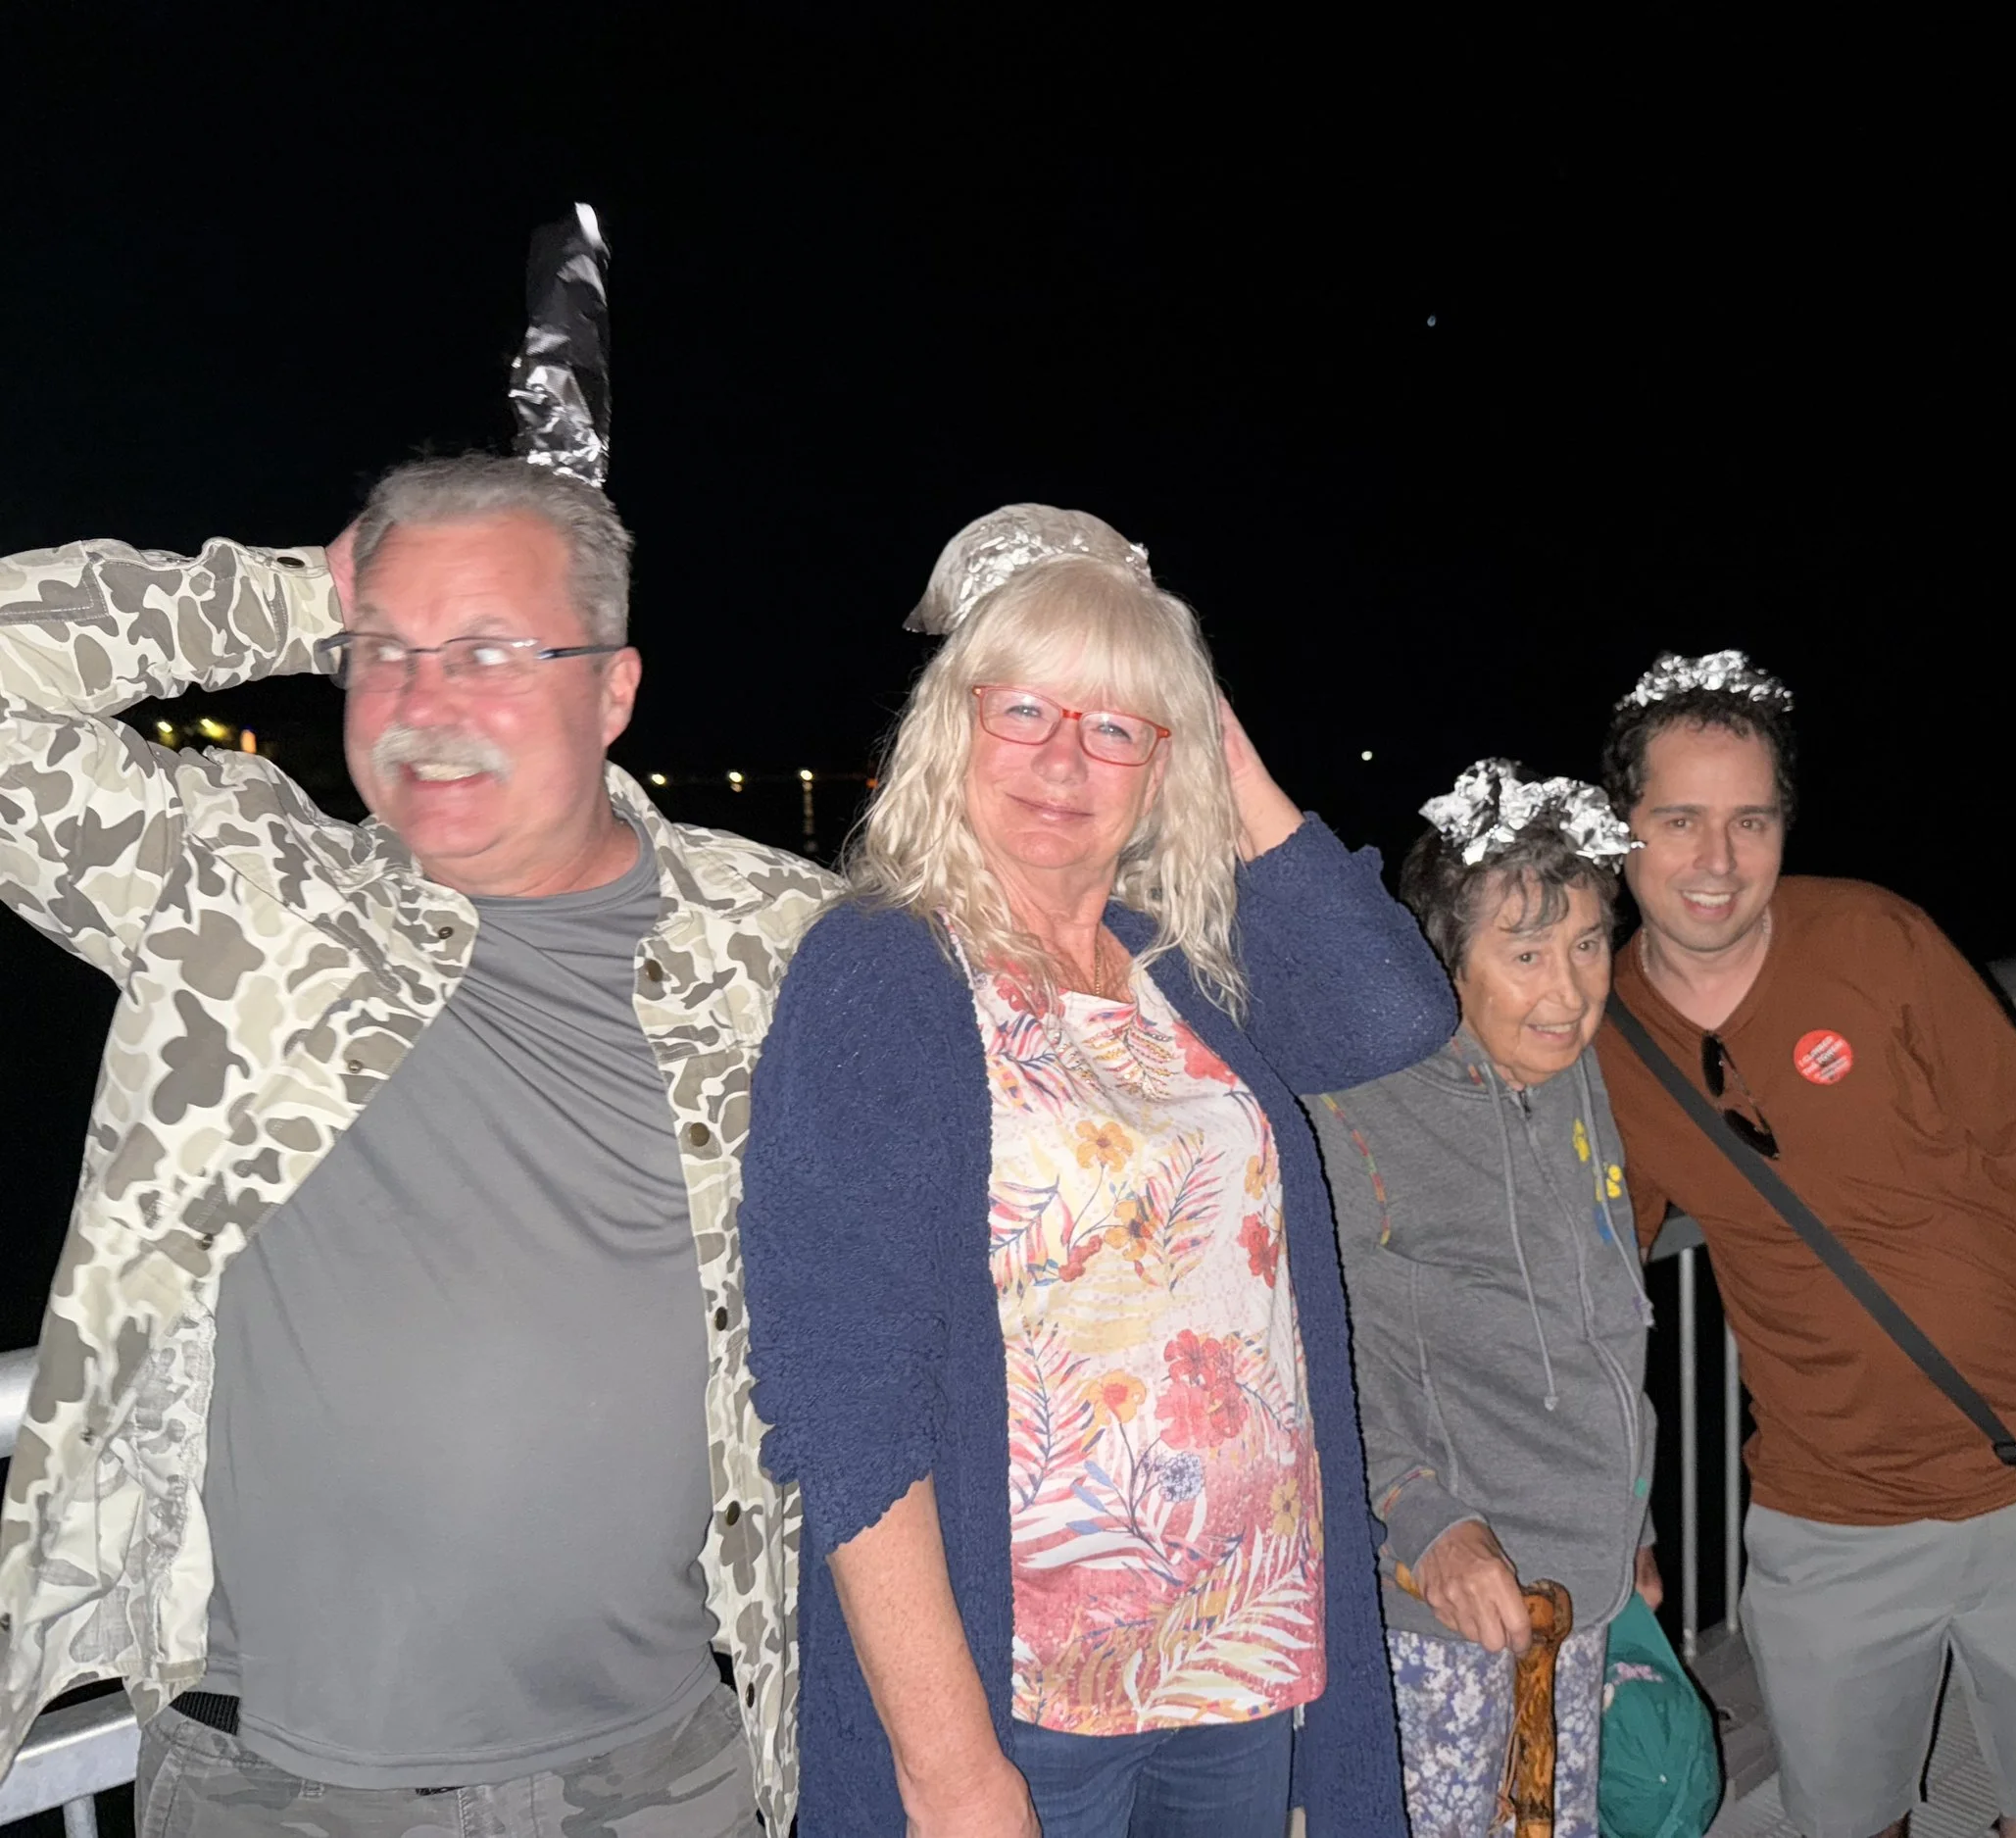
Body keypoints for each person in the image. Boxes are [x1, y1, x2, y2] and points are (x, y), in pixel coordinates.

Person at [0, 456, 836, 1834]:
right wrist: (295, 594)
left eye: (491, 651)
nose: (427, 706)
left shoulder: (779, 944)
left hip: (664, 1769)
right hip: (267, 1778)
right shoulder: (238, 892)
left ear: (615, 689)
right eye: (384, 652)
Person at [735, 504, 1454, 1838]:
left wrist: (1185, 690)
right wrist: (952, 1768)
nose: (1066, 758)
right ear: (951, 726)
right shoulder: (882, 972)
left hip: (1238, 1662)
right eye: (1026, 710)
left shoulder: (1182, 967)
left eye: (1114, 724)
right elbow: (843, 1403)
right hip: (1025, 1696)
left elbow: (1391, 1011)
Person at [1591, 650, 2016, 1838]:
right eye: (1680, 821)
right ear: (1623, 831)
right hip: (1827, 1511)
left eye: (1749, 821)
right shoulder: (1606, 1037)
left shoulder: (1876, 938)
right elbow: (1598, 1300)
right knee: (1847, 1819)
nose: (1717, 862)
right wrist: (1616, 1512)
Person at [1307, 759, 1663, 1838]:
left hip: (1584, 1573)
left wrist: (1632, 1516)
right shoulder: (1362, 1100)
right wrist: (1420, 1517)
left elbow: (1601, 1301)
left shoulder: (1570, 1073)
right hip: (1453, 1598)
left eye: (1588, 943)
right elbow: (1330, 1332)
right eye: (1524, 953)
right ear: (1446, 961)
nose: (1569, 990)